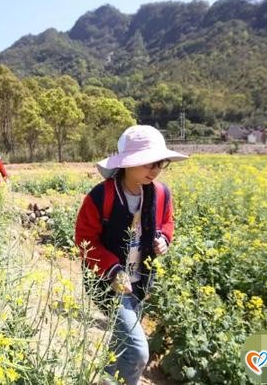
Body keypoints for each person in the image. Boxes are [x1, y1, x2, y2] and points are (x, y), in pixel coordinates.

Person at [74, 125, 188, 385]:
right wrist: (112, 269)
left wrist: (164, 239)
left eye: (160, 163)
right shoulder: (101, 195)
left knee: (122, 339)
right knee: (138, 351)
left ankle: (108, 380)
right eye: (148, 163)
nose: (155, 169)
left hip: (141, 280)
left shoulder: (160, 193)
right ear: (127, 163)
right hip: (108, 283)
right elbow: (84, 239)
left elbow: (167, 222)